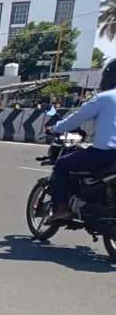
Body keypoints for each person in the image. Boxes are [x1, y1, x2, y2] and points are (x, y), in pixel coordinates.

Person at [47, 60, 116, 222]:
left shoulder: (104, 98)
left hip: (105, 153)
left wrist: (55, 128)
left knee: (62, 165)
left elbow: (77, 118)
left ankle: (62, 210)